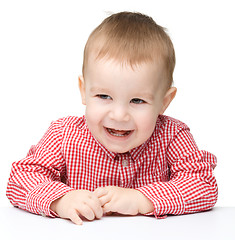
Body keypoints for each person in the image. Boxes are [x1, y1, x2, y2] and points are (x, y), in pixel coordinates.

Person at [6, 11, 218, 225]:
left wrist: (142, 199)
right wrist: (60, 200)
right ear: (83, 90)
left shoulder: (171, 136)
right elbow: (21, 178)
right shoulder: (64, 134)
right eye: (104, 96)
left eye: (137, 101)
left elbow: (203, 185)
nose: (119, 115)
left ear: (164, 102)